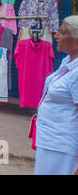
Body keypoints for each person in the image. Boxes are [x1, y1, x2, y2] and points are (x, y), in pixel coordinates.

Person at [34, 15, 78, 175]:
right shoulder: (67, 61)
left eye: (62, 33)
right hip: (50, 141)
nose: (56, 36)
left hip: (63, 145)